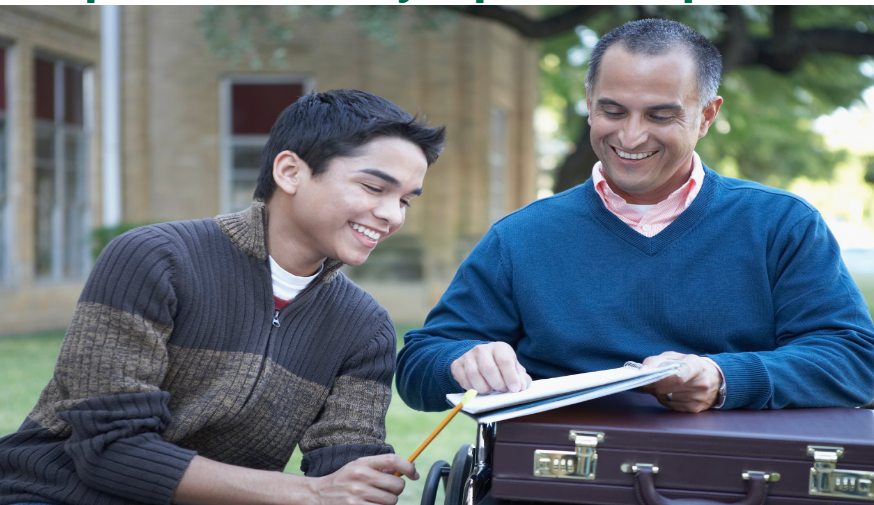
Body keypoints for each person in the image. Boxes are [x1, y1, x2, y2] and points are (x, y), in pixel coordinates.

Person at [396, 19, 874, 415]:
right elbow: (418, 366)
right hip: (556, 478)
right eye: (613, 111)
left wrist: (724, 377)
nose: (630, 136)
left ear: (707, 116)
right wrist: (461, 362)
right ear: (589, 104)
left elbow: (856, 359)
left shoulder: (782, 224)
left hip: (734, 479)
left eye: (660, 116)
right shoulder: (521, 236)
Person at [0, 89, 446, 505]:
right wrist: (310, 492)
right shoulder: (156, 259)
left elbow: (341, 471)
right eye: (374, 188)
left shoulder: (365, 326)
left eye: (406, 201)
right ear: (290, 172)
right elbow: (109, 449)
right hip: (55, 493)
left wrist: (361, 484)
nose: (392, 216)